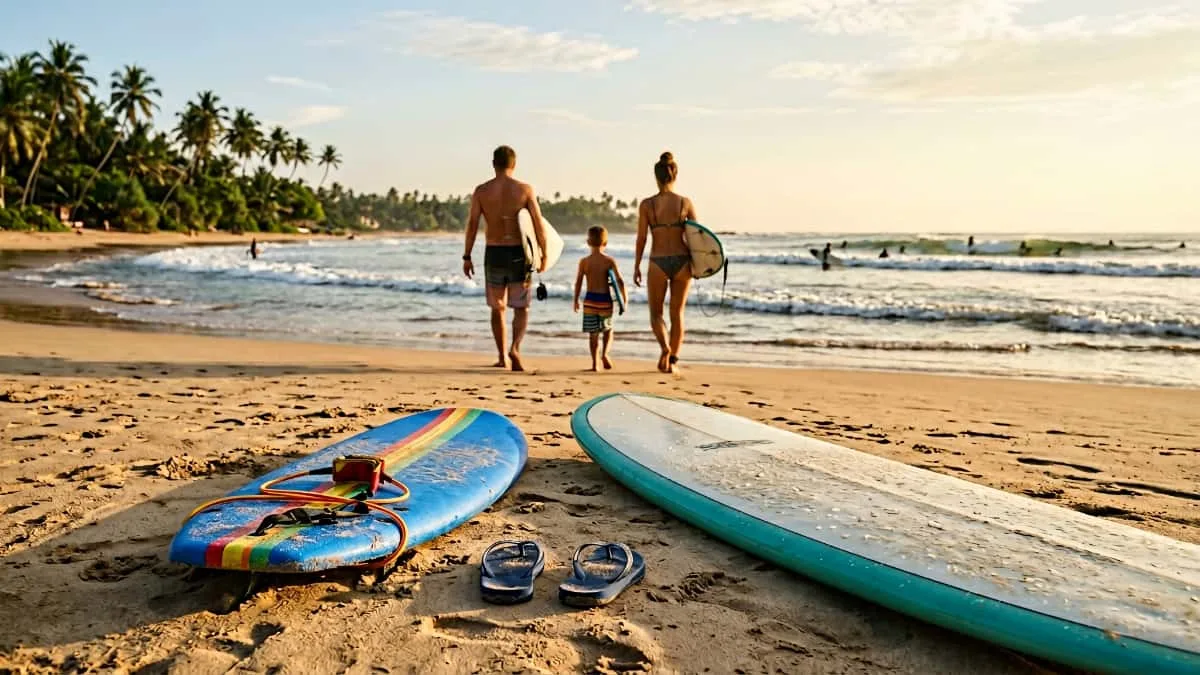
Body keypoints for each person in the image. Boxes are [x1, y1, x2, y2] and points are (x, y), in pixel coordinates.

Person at [462, 145, 547, 372]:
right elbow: (537, 223)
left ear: (494, 164)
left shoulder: (482, 191)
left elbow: (472, 224)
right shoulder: (525, 190)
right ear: (514, 164)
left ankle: (502, 356)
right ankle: (515, 348)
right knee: (521, 306)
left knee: (497, 307)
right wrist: (544, 253)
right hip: (519, 253)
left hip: (494, 252)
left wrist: (467, 255)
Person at [634, 151, 696, 374]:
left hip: (658, 261)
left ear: (656, 176)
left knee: (656, 314)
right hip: (682, 261)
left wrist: (637, 265)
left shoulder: (647, 205)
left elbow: (642, 238)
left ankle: (664, 347)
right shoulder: (685, 203)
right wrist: (700, 264)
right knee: (677, 314)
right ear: (675, 174)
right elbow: (697, 237)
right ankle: (673, 361)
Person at [573, 225, 626, 371]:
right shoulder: (609, 261)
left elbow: (578, 282)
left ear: (588, 242)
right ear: (605, 243)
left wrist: (576, 300)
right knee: (608, 330)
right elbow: (620, 281)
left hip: (590, 301)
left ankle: (595, 363)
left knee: (593, 334)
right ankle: (605, 354)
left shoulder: (584, 262)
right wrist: (624, 299)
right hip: (605, 300)